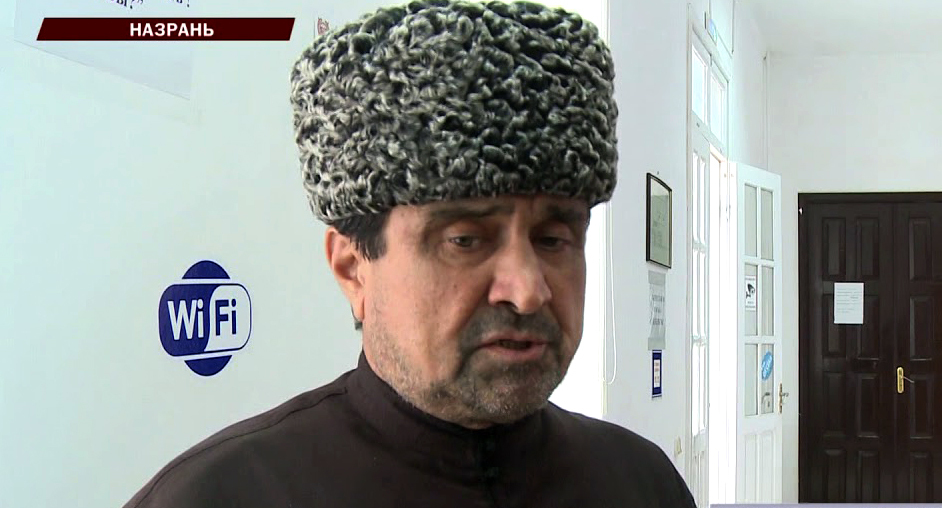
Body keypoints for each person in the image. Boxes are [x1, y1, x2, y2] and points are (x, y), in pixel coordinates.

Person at [123, 1, 697, 506]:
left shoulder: (642, 483)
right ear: (353, 269)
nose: (527, 290)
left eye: (553, 239)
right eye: (465, 240)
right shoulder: (218, 497)